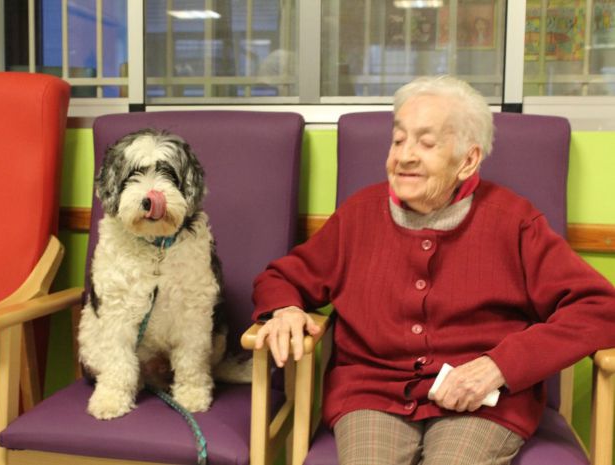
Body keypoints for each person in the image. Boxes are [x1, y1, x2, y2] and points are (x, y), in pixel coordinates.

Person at [251, 75, 615, 465]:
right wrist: (286, 309)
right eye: (398, 140)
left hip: (482, 400)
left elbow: (598, 308)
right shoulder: (357, 216)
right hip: (371, 394)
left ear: (468, 159)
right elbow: (282, 278)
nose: (405, 155)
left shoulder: (514, 222)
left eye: (426, 143)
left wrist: (499, 366)